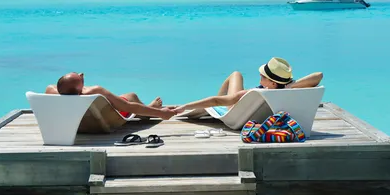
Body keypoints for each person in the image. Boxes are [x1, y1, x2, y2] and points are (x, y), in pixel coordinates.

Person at [174, 57, 323, 113]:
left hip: (235, 110)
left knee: (236, 74)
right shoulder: (284, 90)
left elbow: (216, 100)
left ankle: (211, 111)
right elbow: (318, 76)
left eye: (262, 76)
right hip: (264, 106)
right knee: (237, 75)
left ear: (271, 82)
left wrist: (185, 106)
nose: (260, 78)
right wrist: (288, 86)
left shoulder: (253, 93)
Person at [45, 72, 176, 120]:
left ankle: (148, 109)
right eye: (81, 80)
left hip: (83, 123)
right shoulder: (94, 91)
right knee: (131, 96)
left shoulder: (51, 91)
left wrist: (80, 84)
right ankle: (149, 111)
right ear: (80, 91)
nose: (81, 74)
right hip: (111, 115)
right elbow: (127, 106)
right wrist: (160, 113)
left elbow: (60, 87)